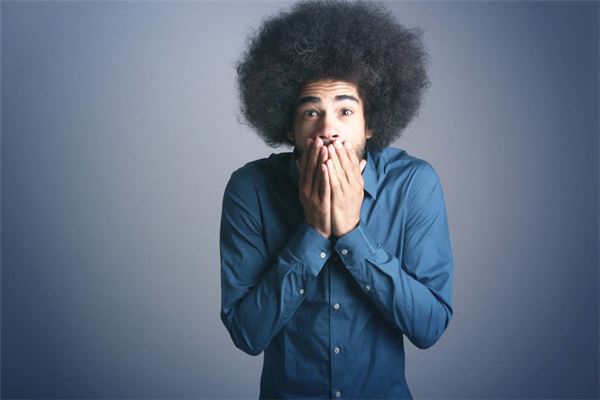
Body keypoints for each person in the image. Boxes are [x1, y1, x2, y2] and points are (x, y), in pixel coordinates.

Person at [219, 1, 454, 398]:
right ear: (290, 127)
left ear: (370, 123)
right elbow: (246, 333)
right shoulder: (251, 189)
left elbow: (429, 327)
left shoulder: (414, 184)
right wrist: (313, 232)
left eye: (345, 110)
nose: (328, 129)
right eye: (311, 112)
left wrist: (351, 234)